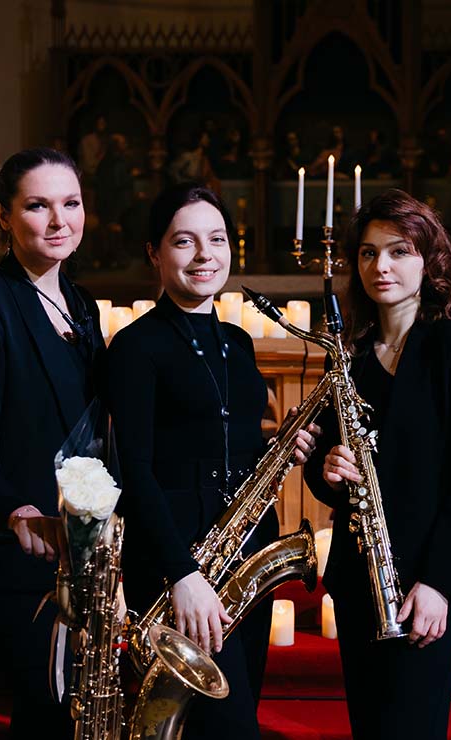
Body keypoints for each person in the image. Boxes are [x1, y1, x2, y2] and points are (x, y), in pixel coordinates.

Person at [102, 183, 318, 740]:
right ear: (154, 253)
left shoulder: (237, 342)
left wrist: (280, 451)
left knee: (237, 712)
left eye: (217, 239)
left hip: (242, 556)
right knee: (226, 727)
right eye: (184, 241)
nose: (205, 255)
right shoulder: (135, 347)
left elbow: (226, 445)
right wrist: (183, 574)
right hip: (180, 559)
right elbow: (134, 471)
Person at [303, 189, 451, 740]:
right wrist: (328, 469)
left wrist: (438, 582)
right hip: (359, 577)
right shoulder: (352, 357)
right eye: (368, 253)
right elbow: (328, 471)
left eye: (398, 251)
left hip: (424, 580)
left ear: (429, 261)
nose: (380, 266)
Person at [0, 147, 104, 738]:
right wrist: (16, 509)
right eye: (38, 206)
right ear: (3, 216)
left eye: (71, 203)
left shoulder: (81, 305)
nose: (60, 221)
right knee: (47, 713)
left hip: (80, 548)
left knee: (73, 719)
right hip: (16, 553)